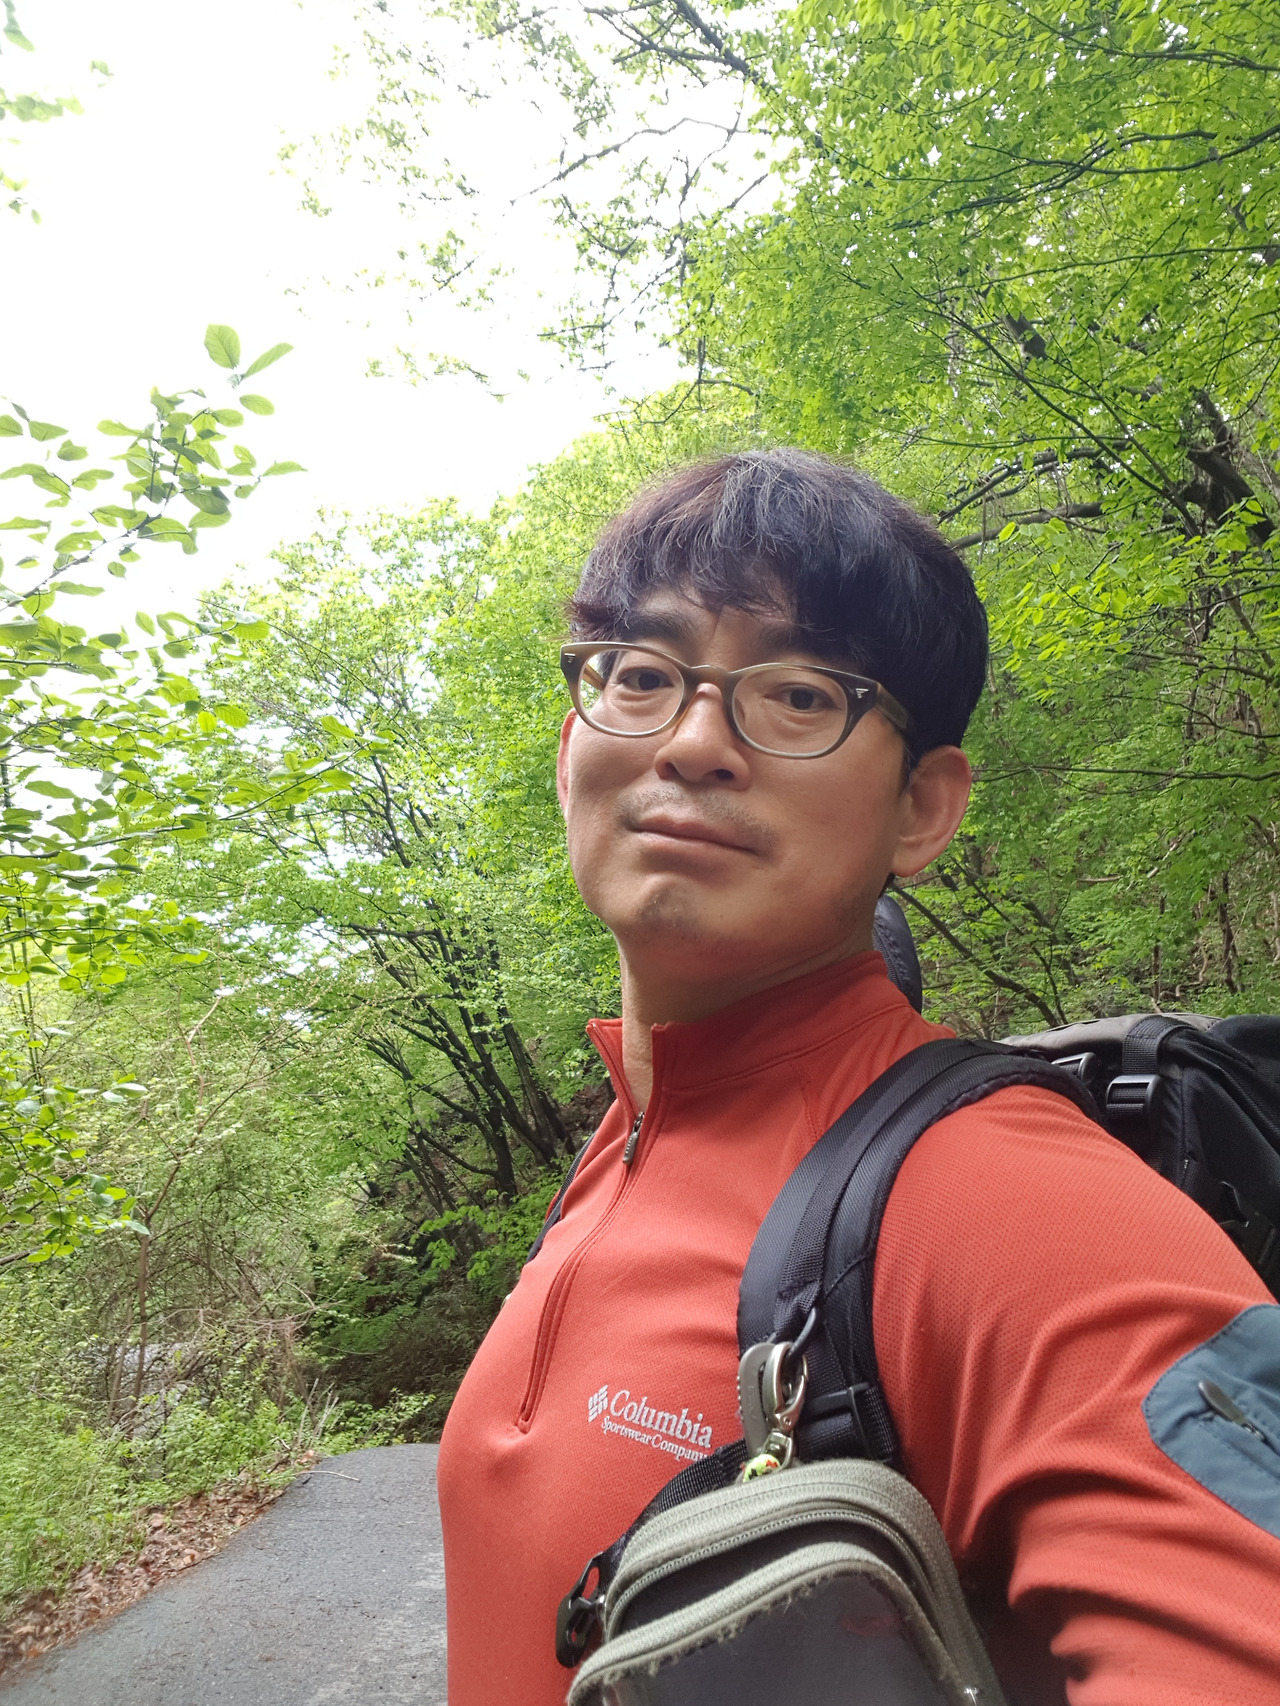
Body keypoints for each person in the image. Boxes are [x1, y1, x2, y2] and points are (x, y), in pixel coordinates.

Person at [436, 449, 1280, 1705]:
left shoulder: (1007, 1201)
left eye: (797, 694)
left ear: (920, 809)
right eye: (641, 673)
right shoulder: (621, 1143)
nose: (692, 740)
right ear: (573, 748)